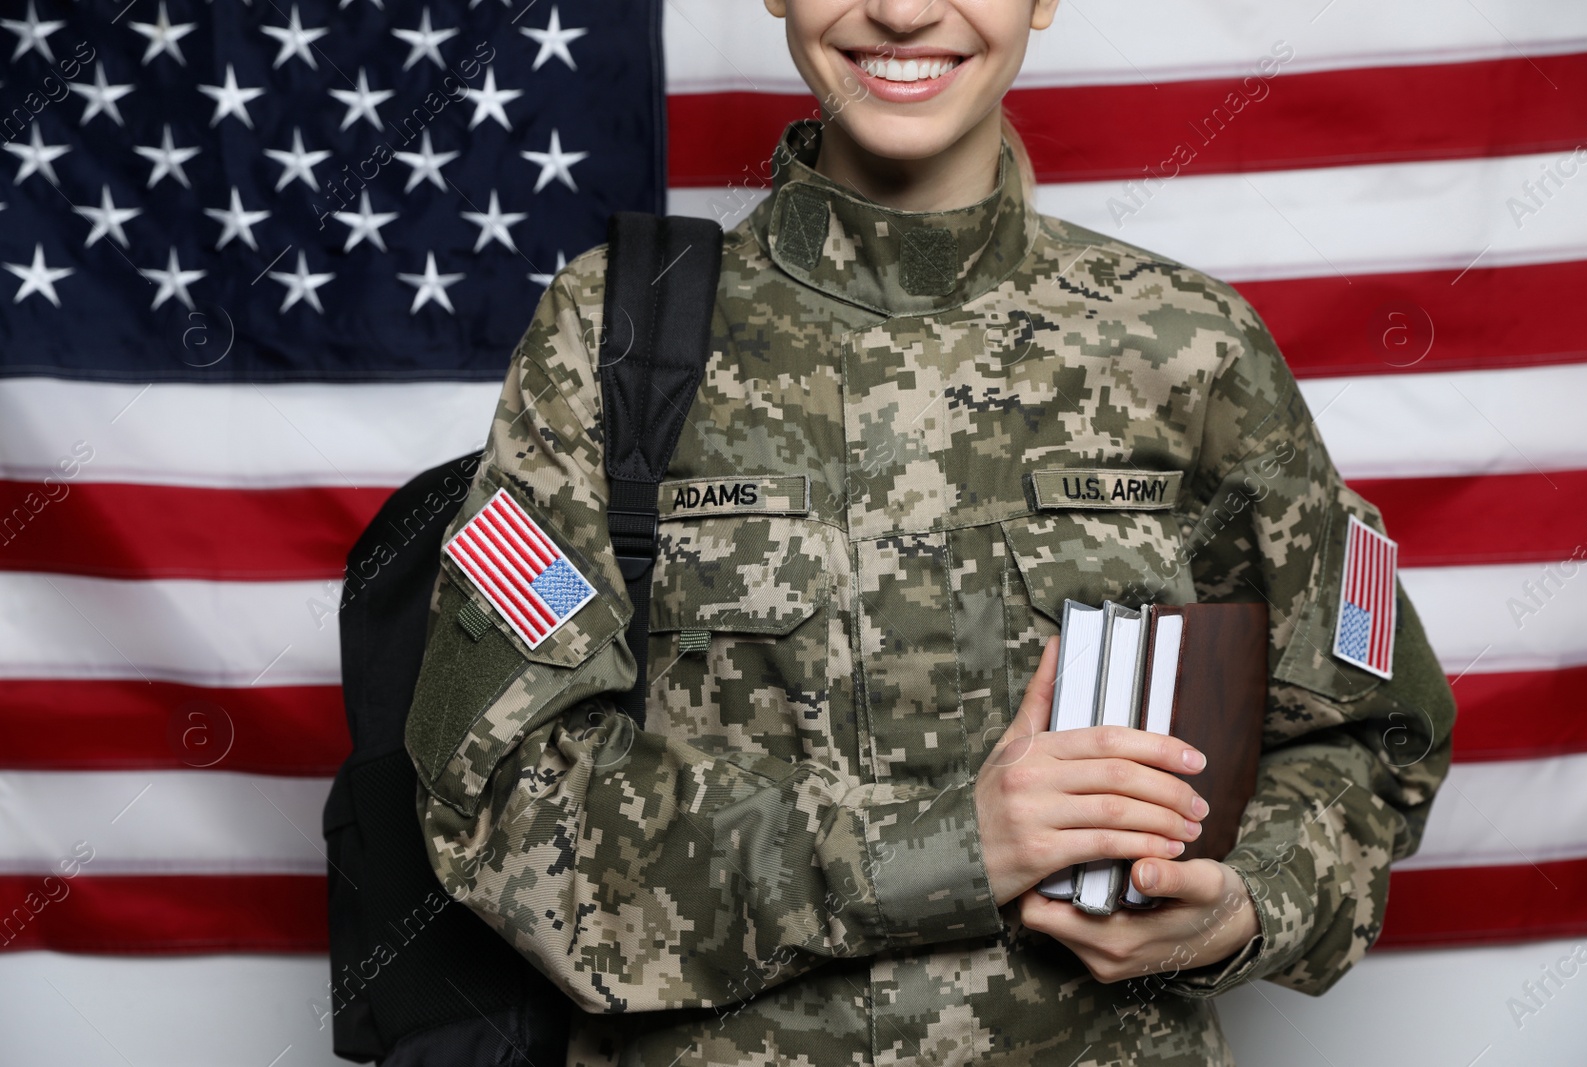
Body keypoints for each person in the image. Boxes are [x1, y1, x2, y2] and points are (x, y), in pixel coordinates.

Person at [403, 1, 1457, 1063]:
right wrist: (951, 845)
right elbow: (496, 795)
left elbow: (1371, 732)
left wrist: (1242, 906)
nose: (903, 11)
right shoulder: (614, 337)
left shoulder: (1188, 348)